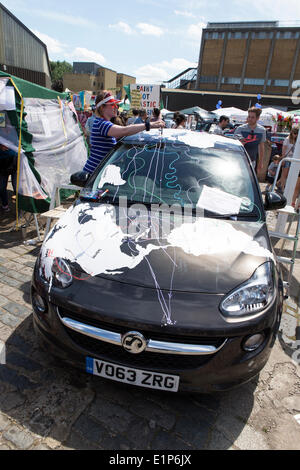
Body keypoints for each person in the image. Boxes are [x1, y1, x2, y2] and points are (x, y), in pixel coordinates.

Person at [83, 91, 165, 174]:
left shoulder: (101, 122)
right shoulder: (102, 124)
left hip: (97, 172)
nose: (116, 107)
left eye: (116, 105)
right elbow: (125, 130)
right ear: (102, 107)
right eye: (112, 105)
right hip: (93, 174)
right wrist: (149, 125)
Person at [234, 107, 266, 171]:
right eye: (249, 116)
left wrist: (260, 162)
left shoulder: (262, 130)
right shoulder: (240, 129)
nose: (250, 119)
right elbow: (234, 144)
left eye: (252, 117)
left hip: (252, 160)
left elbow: (261, 147)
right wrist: (241, 143)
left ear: (257, 118)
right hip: (239, 159)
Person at [0, 144, 17, 212]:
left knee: (16, 187)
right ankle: (5, 205)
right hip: (2, 169)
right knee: (1, 188)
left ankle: (19, 206)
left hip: (14, 167)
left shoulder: (13, 149)